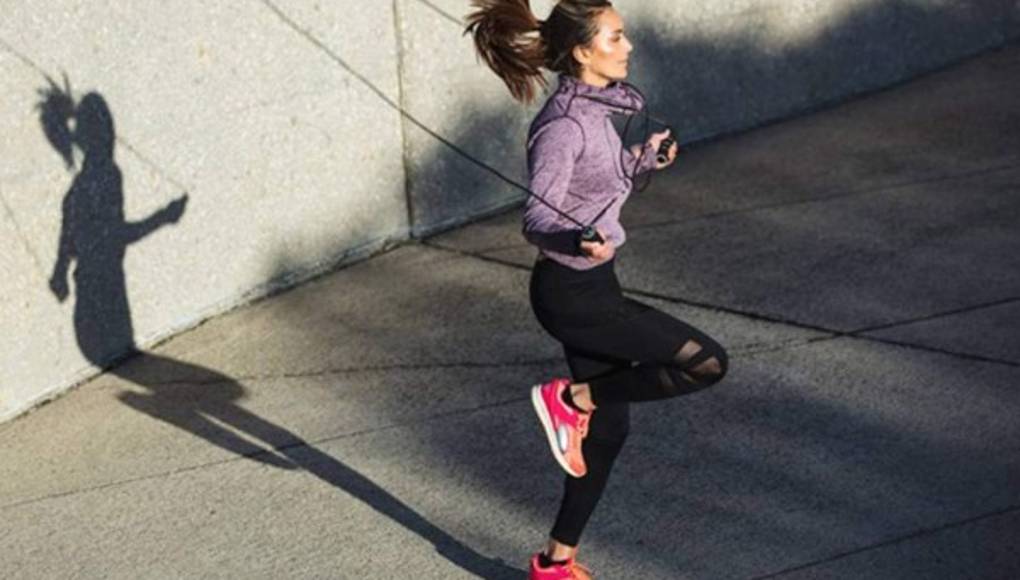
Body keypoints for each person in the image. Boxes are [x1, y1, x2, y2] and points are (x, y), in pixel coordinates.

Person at [465, 1, 729, 578]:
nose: (628, 45)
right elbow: (536, 218)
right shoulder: (561, 126)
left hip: (593, 284)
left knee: (609, 431)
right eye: (616, 36)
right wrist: (576, 236)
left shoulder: (607, 108)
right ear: (584, 51)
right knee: (706, 363)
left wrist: (644, 159)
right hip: (572, 295)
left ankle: (555, 564)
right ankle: (569, 399)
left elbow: (602, 188)